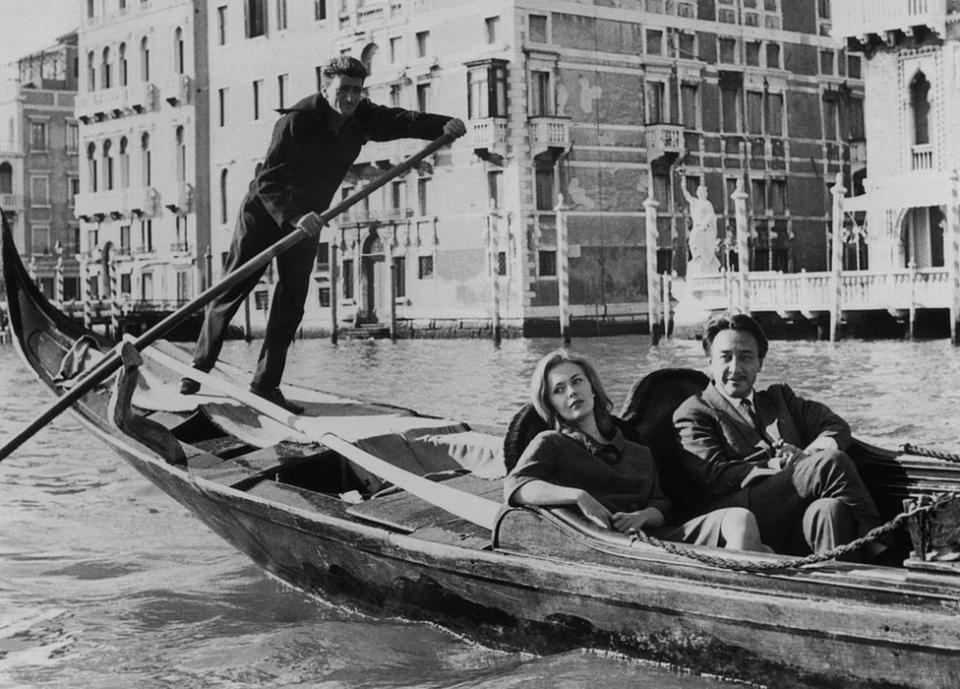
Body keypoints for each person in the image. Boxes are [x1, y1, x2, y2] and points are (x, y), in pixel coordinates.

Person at [180, 56, 466, 412]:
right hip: (266, 212)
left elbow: (402, 120)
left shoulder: (362, 115)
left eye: (356, 91)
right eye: (344, 89)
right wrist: (295, 217)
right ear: (325, 87)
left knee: (292, 300)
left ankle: (265, 385)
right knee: (233, 287)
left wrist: (445, 125)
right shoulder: (296, 121)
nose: (350, 98)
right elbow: (269, 181)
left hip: (312, 219)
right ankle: (197, 368)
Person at [504, 349, 769, 552]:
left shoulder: (637, 451)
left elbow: (661, 505)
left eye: (577, 382)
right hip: (610, 549)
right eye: (559, 390)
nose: (571, 392)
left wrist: (642, 516)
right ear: (551, 404)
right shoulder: (552, 442)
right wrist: (580, 497)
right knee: (760, 550)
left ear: (593, 389)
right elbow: (516, 486)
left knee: (740, 520)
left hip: (658, 540)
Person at [672, 312, 885, 558]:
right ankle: (882, 550)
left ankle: (837, 584)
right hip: (740, 514)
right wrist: (776, 465)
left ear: (760, 363)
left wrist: (806, 456)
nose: (735, 368)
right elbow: (714, 476)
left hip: (793, 514)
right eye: (725, 357)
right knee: (831, 462)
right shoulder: (694, 411)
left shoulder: (780, 399)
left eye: (745, 357)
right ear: (710, 362)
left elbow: (836, 426)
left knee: (829, 509)